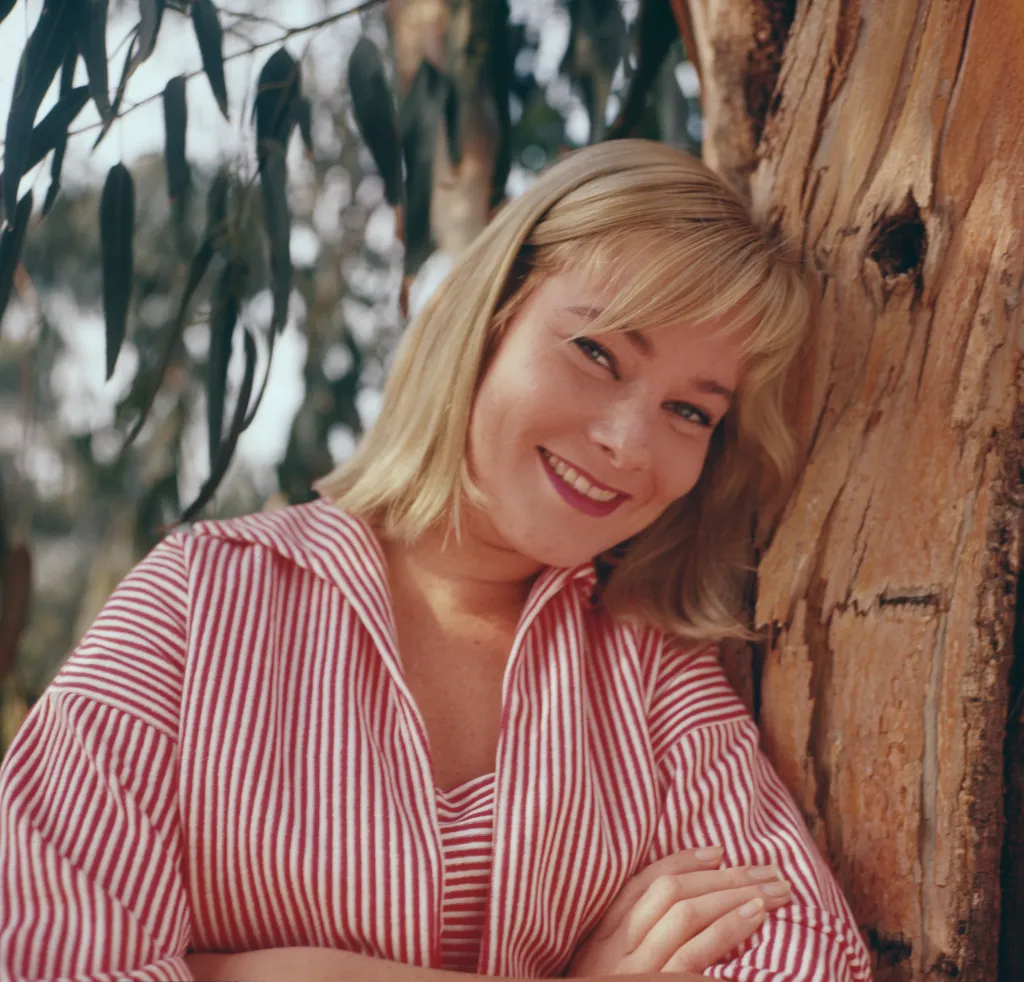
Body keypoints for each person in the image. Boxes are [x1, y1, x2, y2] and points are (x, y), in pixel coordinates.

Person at [0, 140, 873, 981]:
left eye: (690, 412)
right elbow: (44, 958)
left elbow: (808, 958)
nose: (627, 443)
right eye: (599, 352)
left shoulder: (654, 681)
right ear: (489, 319)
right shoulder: (201, 602)